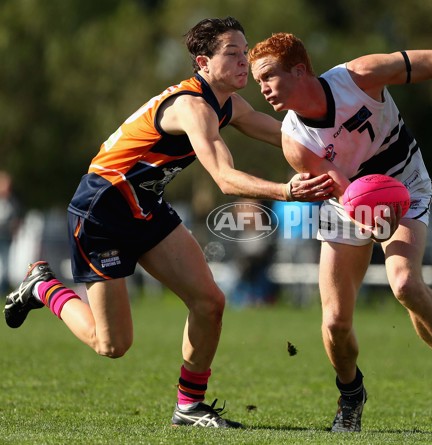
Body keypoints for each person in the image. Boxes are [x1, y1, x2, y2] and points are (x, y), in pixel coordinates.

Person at [3, 18, 332, 429]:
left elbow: (288, 136)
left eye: (244, 52)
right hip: (100, 214)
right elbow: (226, 180)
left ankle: (189, 407)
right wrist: (289, 191)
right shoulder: (192, 107)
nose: (243, 61)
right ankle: (43, 288)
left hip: (146, 209)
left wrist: (342, 148)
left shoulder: (228, 104)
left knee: (210, 303)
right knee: (112, 344)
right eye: (231, 53)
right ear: (203, 63)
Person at [249, 33, 432, 431]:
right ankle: (351, 396)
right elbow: (351, 196)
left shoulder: (359, 77)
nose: (261, 88)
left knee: (404, 283)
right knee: (335, 324)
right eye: (257, 82)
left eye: (267, 77)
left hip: (407, 186)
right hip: (349, 205)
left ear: (299, 71)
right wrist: (362, 211)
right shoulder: (295, 141)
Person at [0, 171, 21, 294]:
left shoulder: (12, 201)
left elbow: (16, 217)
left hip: (6, 236)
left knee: (6, 262)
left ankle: (4, 286)